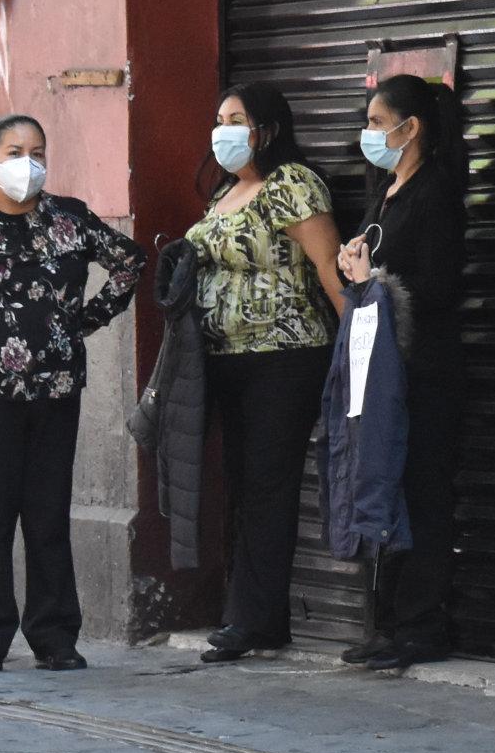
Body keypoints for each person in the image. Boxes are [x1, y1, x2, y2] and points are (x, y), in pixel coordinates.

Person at [0, 114, 145, 676]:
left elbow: (129, 264)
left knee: (47, 515)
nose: (29, 162)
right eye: (16, 151)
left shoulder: (68, 219)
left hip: (56, 390)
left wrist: (81, 323)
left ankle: (54, 637)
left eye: (38, 151)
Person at [188, 84, 345, 664]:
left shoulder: (293, 185)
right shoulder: (227, 191)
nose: (223, 129)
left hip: (285, 355)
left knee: (266, 484)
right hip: (226, 360)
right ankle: (261, 617)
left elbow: (330, 271)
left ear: (268, 129)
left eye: (237, 119)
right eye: (220, 117)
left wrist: (363, 348)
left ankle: (252, 620)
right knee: (244, 484)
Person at [335, 74, 469, 670]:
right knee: (386, 489)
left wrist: (374, 282)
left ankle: (421, 625)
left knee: (423, 494)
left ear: (408, 128)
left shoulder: (435, 194)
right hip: (383, 372)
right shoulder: (386, 193)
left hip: (425, 371)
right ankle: (386, 623)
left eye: (373, 122)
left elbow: (436, 288)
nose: (368, 134)